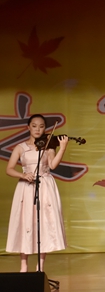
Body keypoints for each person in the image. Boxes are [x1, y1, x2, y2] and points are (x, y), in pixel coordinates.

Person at [5, 114, 69, 272]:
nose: (37, 129)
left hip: (45, 186)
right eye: (34, 126)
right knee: (25, 222)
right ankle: (23, 266)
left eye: (41, 126)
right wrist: (23, 175)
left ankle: (40, 265)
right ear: (28, 127)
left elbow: (52, 165)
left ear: (45, 128)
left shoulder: (49, 146)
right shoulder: (20, 147)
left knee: (43, 223)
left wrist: (62, 148)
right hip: (26, 187)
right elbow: (9, 169)